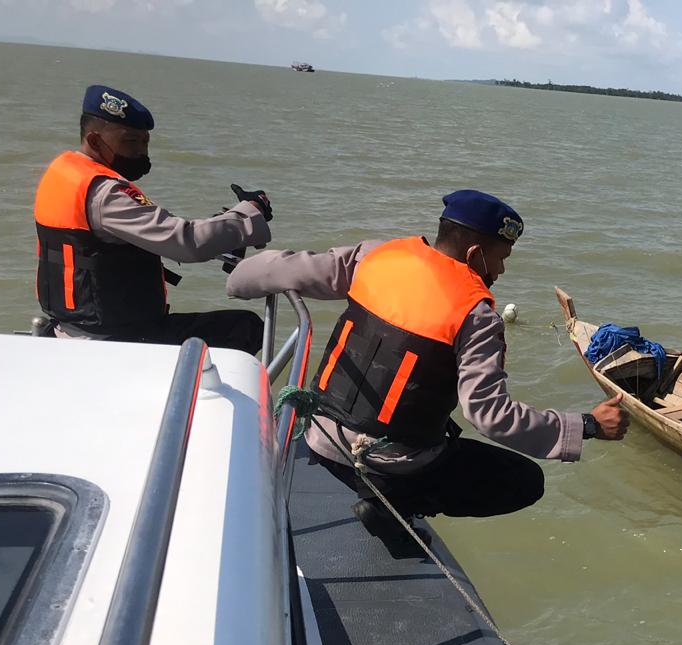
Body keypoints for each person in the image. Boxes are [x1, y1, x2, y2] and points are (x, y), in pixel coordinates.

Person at [225, 189, 629, 535]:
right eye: (501, 257)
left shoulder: (375, 256)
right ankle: (397, 504)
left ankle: (387, 495)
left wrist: (237, 278)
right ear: (475, 253)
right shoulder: (477, 315)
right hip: (389, 465)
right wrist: (586, 425)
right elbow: (489, 415)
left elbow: (273, 268)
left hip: (321, 438)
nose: (502, 270)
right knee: (525, 481)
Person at [33, 84, 274, 351]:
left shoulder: (65, 174)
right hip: (113, 339)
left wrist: (222, 224)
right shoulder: (106, 194)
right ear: (94, 141)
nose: (141, 152)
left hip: (71, 327)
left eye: (145, 142)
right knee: (245, 328)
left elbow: (144, 234)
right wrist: (250, 212)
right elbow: (186, 242)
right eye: (130, 142)